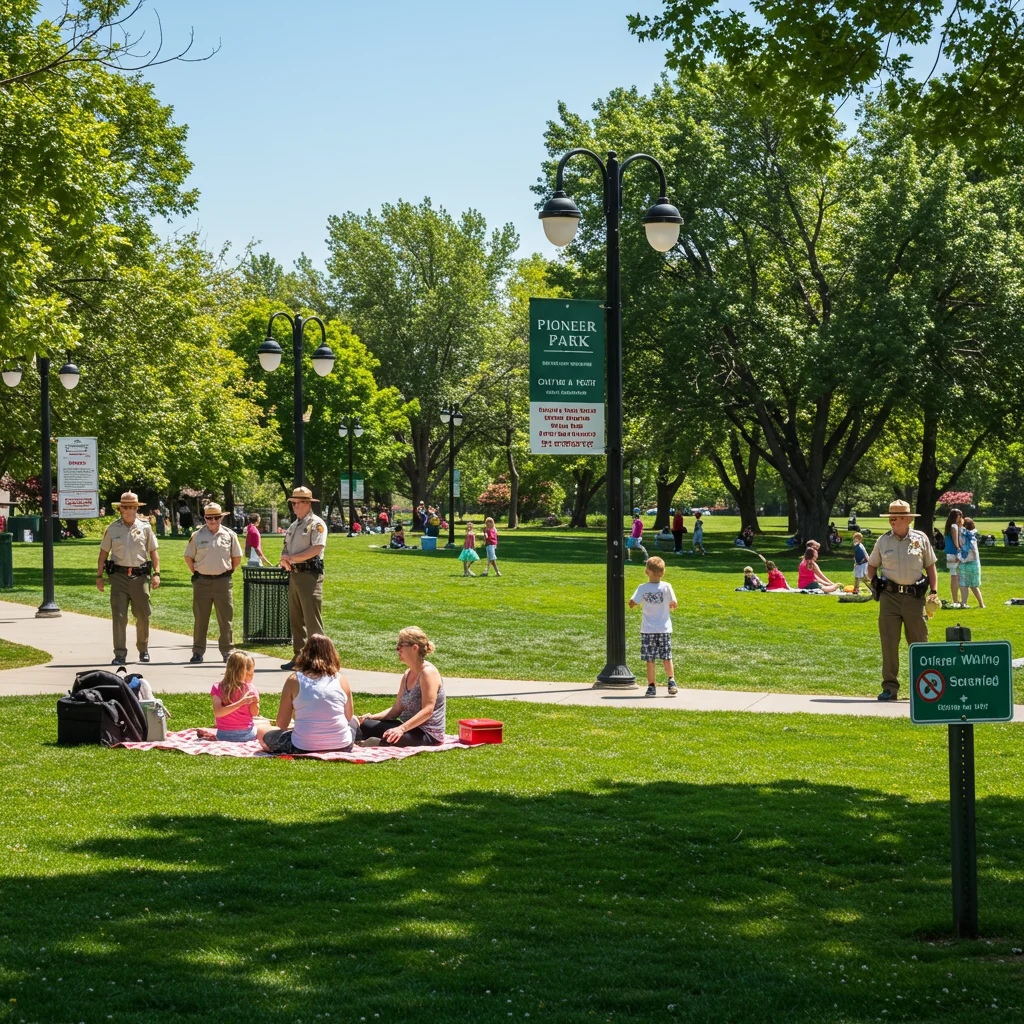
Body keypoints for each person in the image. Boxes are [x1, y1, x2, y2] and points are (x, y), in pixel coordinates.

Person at [867, 499, 939, 701]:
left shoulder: (921, 539)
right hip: (889, 598)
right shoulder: (883, 541)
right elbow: (872, 566)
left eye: (895, 518)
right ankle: (890, 688)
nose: (891, 522)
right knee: (889, 643)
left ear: (907, 519)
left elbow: (931, 567)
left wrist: (933, 591)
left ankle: (924, 687)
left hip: (914, 597)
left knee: (918, 643)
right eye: (890, 518)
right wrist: (874, 582)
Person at [258, 634, 356, 754]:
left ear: (304, 653)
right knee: (354, 722)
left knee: (262, 731)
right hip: (342, 745)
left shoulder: (294, 680)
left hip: (302, 746)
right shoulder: (341, 679)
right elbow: (349, 717)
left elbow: (282, 724)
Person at [96, 491, 160, 666]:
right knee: (119, 616)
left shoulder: (145, 528)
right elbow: (103, 554)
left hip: (140, 577)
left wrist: (157, 574)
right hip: (118, 577)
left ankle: (143, 649)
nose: (130, 510)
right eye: (127, 507)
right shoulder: (112, 528)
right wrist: (99, 576)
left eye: (133, 507)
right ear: (120, 509)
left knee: (143, 615)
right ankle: (120, 654)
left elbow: (153, 553)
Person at [356, 626, 447, 746]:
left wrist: (401, 729)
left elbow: (427, 711)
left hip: (427, 734)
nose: (397, 649)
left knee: (391, 736)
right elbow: (396, 709)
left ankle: (375, 742)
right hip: (408, 727)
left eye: (401, 645)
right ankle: (374, 740)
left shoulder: (428, 673)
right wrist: (372, 717)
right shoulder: (407, 674)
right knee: (365, 724)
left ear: (414, 647)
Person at [183, 502, 242, 664]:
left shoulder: (230, 535)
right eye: (209, 518)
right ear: (205, 518)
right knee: (201, 619)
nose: (213, 521)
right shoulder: (197, 536)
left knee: (225, 618)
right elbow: (188, 557)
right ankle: (198, 652)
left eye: (216, 517)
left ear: (221, 518)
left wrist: (228, 571)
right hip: (202, 582)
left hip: (223, 581)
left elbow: (236, 558)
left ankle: (227, 651)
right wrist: (196, 572)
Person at [279, 486, 327, 671]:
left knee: (312, 619)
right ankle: (299, 657)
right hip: (295, 574)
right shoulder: (294, 525)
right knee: (296, 619)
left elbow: (316, 548)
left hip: (310, 576)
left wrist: (292, 558)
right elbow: (286, 545)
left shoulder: (316, 524)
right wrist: (285, 558)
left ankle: (319, 659)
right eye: (293, 503)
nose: (294, 506)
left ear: (307, 504)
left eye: (298, 503)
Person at [628, 556, 679, 697]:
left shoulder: (643, 588)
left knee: (650, 659)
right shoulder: (667, 586)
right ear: (663, 572)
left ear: (646, 572)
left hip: (648, 630)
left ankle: (651, 685)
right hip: (664, 629)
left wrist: (632, 603)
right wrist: (673, 604)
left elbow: (634, 601)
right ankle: (671, 680)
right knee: (667, 657)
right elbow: (674, 602)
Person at [207, 651, 260, 742]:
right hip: (246, 735)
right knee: (264, 726)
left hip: (222, 735)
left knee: (261, 722)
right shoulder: (251, 689)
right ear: (245, 672)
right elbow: (255, 713)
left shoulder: (218, 687)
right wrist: (242, 703)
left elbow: (218, 712)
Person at [957, 516, 985, 608]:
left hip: (967, 562)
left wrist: (960, 557)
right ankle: (975, 604)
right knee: (970, 585)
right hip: (972, 563)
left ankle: (966, 603)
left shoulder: (967, 536)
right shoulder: (971, 536)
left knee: (965, 584)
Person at [943, 508, 964, 606]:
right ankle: (956, 600)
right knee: (956, 577)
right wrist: (959, 547)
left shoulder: (949, 526)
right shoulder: (954, 526)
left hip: (950, 553)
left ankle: (956, 599)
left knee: (954, 576)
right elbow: (956, 540)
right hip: (955, 553)